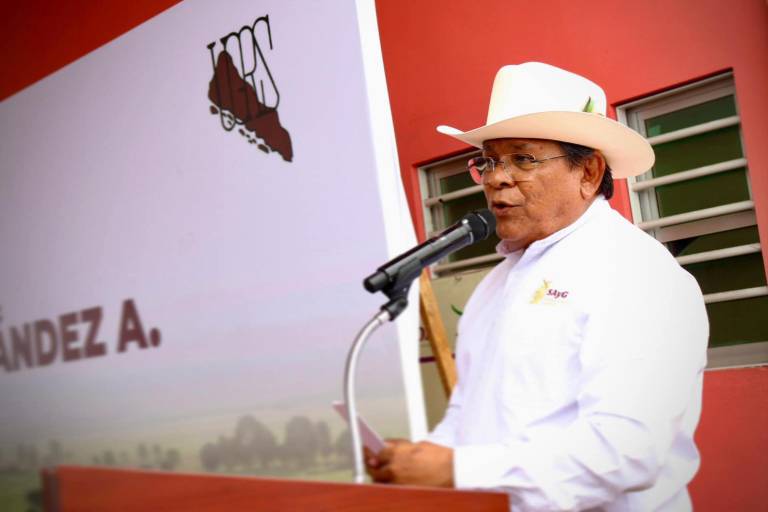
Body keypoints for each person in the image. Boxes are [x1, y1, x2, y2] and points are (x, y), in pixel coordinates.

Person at [365, 62, 708, 511]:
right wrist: (421, 460)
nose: (495, 178)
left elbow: (627, 451)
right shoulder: (497, 283)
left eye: (522, 158)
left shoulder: (638, 274)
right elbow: (467, 418)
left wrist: (457, 470)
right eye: (487, 161)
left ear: (588, 172)